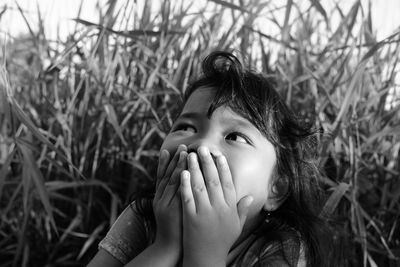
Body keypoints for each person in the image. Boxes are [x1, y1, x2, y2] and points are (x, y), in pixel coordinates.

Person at [87, 51, 331, 267]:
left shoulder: (281, 248)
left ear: (276, 188)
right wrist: (165, 246)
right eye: (187, 127)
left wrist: (205, 255)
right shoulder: (143, 216)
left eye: (235, 136)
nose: (202, 146)